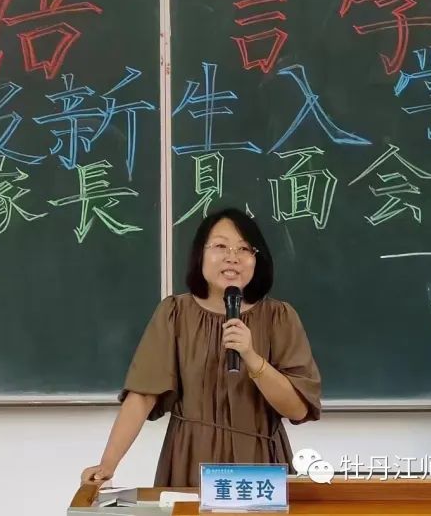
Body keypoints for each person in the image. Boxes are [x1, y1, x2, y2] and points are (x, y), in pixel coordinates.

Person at [80, 207, 322, 488]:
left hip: (259, 462)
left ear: (257, 259)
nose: (232, 257)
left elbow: (297, 410)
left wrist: (252, 358)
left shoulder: (280, 317)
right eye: (220, 246)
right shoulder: (175, 313)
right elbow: (143, 395)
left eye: (244, 248)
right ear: (200, 254)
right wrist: (108, 464)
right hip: (191, 458)